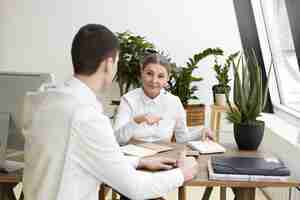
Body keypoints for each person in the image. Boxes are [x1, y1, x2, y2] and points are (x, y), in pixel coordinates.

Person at [22, 24, 199, 200]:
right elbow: (135, 188)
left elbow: (83, 158)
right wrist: (182, 173)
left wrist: (139, 161)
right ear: (109, 63)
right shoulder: (86, 116)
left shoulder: (44, 100)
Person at [114, 53, 212, 145]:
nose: (154, 80)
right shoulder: (128, 100)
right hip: (135, 158)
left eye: (160, 76)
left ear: (167, 78)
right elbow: (117, 139)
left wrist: (201, 131)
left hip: (164, 156)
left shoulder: (174, 102)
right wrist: (137, 120)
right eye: (149, 73)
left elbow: (182, 138)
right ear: (142, 73)